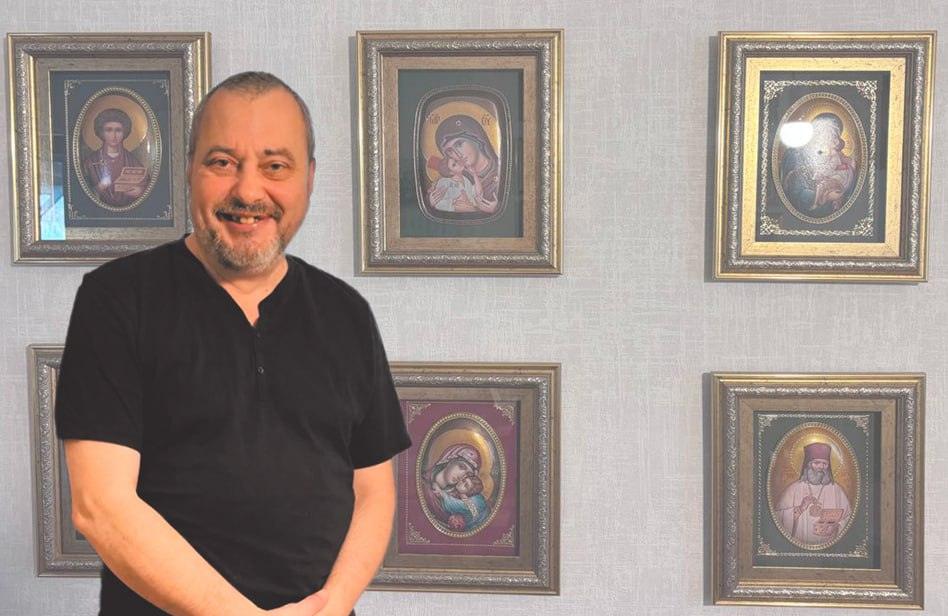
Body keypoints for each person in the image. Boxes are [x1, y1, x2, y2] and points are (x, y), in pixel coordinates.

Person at [56, 72, 410, 616]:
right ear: (189, 170)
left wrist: (335, 603)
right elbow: (100, 507)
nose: (248, 192)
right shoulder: (117, 300)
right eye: (222, 162)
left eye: (276, 166)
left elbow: (374, 492)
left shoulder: (346, 313)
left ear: (309, 178)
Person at [774, 442, 852, 546]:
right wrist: (800, 508)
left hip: (831, 545)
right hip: (797, 546)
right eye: (817, 463)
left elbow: (849, 518)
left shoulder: (836, 490)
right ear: (808, 464)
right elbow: (778, 517)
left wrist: (837, 526)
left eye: (825, 464)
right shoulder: (794, 489)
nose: (821, 467)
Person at [780, 112, 856, 215]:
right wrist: (824, 197)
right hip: (799, 210)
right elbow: (793, 190)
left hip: (835, 214)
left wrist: (846, 170)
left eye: (833, 136)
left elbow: (846, 181)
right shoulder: (795, 154)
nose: (831, 140)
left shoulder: (838, 155)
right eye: (824, 134)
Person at [432, 115, 500, 214]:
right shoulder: (460, 180)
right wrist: (433, 201)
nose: (458, 154)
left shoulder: (501, 172)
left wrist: (496, 210)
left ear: (476, 140)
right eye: (450, 151)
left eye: (459, 144)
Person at [82, 107, 149, 207]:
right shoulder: (90, 162)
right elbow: (82, 192)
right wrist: (99, 188)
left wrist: (140, 191)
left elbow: (146, 184)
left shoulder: (133, 161)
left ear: (124, 132)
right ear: (101, 132)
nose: (113, 135)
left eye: (118, 130)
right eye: (108, 130)